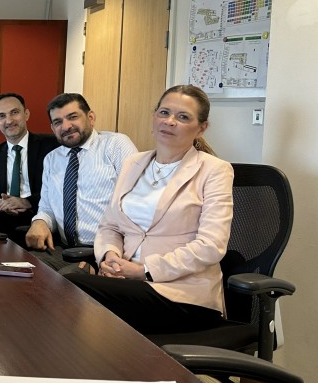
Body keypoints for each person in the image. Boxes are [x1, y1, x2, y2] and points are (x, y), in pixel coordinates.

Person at [65, 85, 233, 334]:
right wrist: (110, 256)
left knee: (70, 287)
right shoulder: (133, 163)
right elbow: (110, 225)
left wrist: (144, 271)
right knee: (62, 287)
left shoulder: (215, 170)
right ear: (154, 117)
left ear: (201, 128)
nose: (170, 121)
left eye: (183, 117)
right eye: (164, 112)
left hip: (181, 294)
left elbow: (211, 246)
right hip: (124, 282)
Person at [26, 93, 136, 270]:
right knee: (22, 267)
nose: (66, 126)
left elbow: (136, 202)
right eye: (58, 122)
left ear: (90, 118)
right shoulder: (51, 159)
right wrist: (40, 221)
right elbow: (47, 207)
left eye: (72, 117)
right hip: (64, 249)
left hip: (106, 251)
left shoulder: (115, 145)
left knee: (62, 280)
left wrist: (112, 253)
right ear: (53, 128)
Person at [0, 92, 58, 239]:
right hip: (2, 224)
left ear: (26, 114)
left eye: (14, 112)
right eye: (2, 116)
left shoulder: (51, 146)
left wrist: (27, 202)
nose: (9, 121)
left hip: (40, 221)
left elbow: (58, 189)